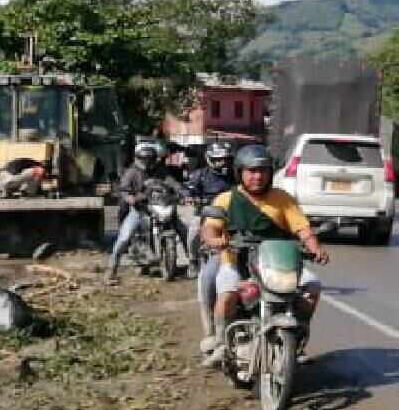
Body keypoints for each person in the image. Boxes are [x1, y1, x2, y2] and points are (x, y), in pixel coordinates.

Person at [199, 144, 328, 364]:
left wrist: (314, 246)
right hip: (236, 263)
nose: (257, 176)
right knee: (226, 296)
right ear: (240, 172)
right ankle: (221, 341)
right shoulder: (226, 199)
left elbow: (302, 228)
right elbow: (210, 227)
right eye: (251, 171)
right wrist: (215, 240)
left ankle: (297, 340)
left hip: (278, 262)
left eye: (263, 171)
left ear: (270, 173)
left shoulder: (282, 198)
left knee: (312, 287)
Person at [107, 140, 188, 283]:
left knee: (184, 231)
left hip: (160, 206)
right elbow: (123, 189)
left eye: (150, 158)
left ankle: (194, 263)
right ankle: (111, 270)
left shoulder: (160, 171)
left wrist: (182, 191)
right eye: (143, 158)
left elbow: (172, 182)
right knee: (124, 237)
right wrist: (129, 197)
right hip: (140, 210)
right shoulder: (131, 172)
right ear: (137, 157)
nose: (147, 161)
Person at [184, 142, 236, 347]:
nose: (222, 163)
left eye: (225, 159)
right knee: (193, 233)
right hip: (208, 218)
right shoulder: (200, 176)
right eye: (217, 160)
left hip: (235, 226)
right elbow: (188, 190)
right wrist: (190, 198)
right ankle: (192, 259)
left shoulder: (237, 179)